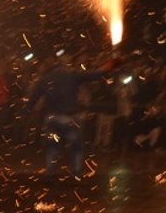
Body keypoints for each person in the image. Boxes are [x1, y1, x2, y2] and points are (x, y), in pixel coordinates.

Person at [27, 52, 122, 180]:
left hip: (52, 118)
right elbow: (96, 74)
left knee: (52, 147)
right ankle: (76, 174)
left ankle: (50, 173)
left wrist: (28, 111)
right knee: (76, 148)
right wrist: (112, 64)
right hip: (69, 118)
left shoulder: (46, 78)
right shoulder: (72, 75)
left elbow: (34, 97)